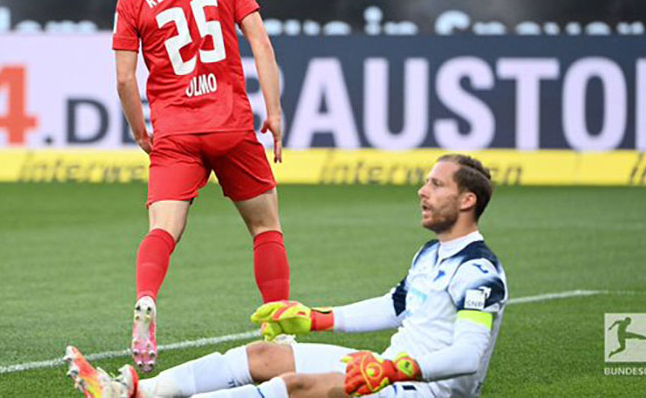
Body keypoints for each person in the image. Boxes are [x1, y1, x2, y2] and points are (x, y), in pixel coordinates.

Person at [65, 154, 509, 398]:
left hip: (425, 391)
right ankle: (135, 390)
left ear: (467, 200)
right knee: (265, 356)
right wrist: (316, 318)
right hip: (390, 370)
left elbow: (468, 356)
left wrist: (393, 369)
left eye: (436, 185)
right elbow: (395, 306)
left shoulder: (479, 271)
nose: (422, 191)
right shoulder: (431, 253)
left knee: (295, 387)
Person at [111, 0, 290, 374]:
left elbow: (125, 80)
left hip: (175, 132)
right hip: (231, 124)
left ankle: (146, 298)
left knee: (162, 230)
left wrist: (140, 131)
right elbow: (261, 43)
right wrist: (274, 112)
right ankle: (279, 330)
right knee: (265, 228)